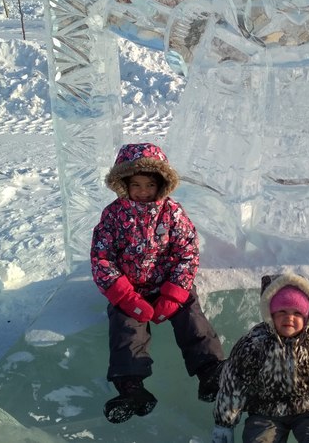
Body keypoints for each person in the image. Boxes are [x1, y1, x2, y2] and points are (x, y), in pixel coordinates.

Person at [90, 142, 225, 424]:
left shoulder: (172, 213)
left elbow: (187, 252)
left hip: (168, 284)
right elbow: (102, 257)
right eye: (136, 185)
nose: (143, 191)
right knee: (126, 328)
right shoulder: (113, 215)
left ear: (161, 184)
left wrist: (174, 294)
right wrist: (124, 296)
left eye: (150, 185)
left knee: (192, 316)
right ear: (123, 184)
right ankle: (131, 387)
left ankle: (210, 370)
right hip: (131, 290)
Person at [211, 272, 309, 442]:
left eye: (297, 313)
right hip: (264, 411)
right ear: (270, 314)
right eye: (282, 311)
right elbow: (234, 384)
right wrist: (224, 423)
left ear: (307, 316)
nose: (289, 318)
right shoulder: (253, 344)